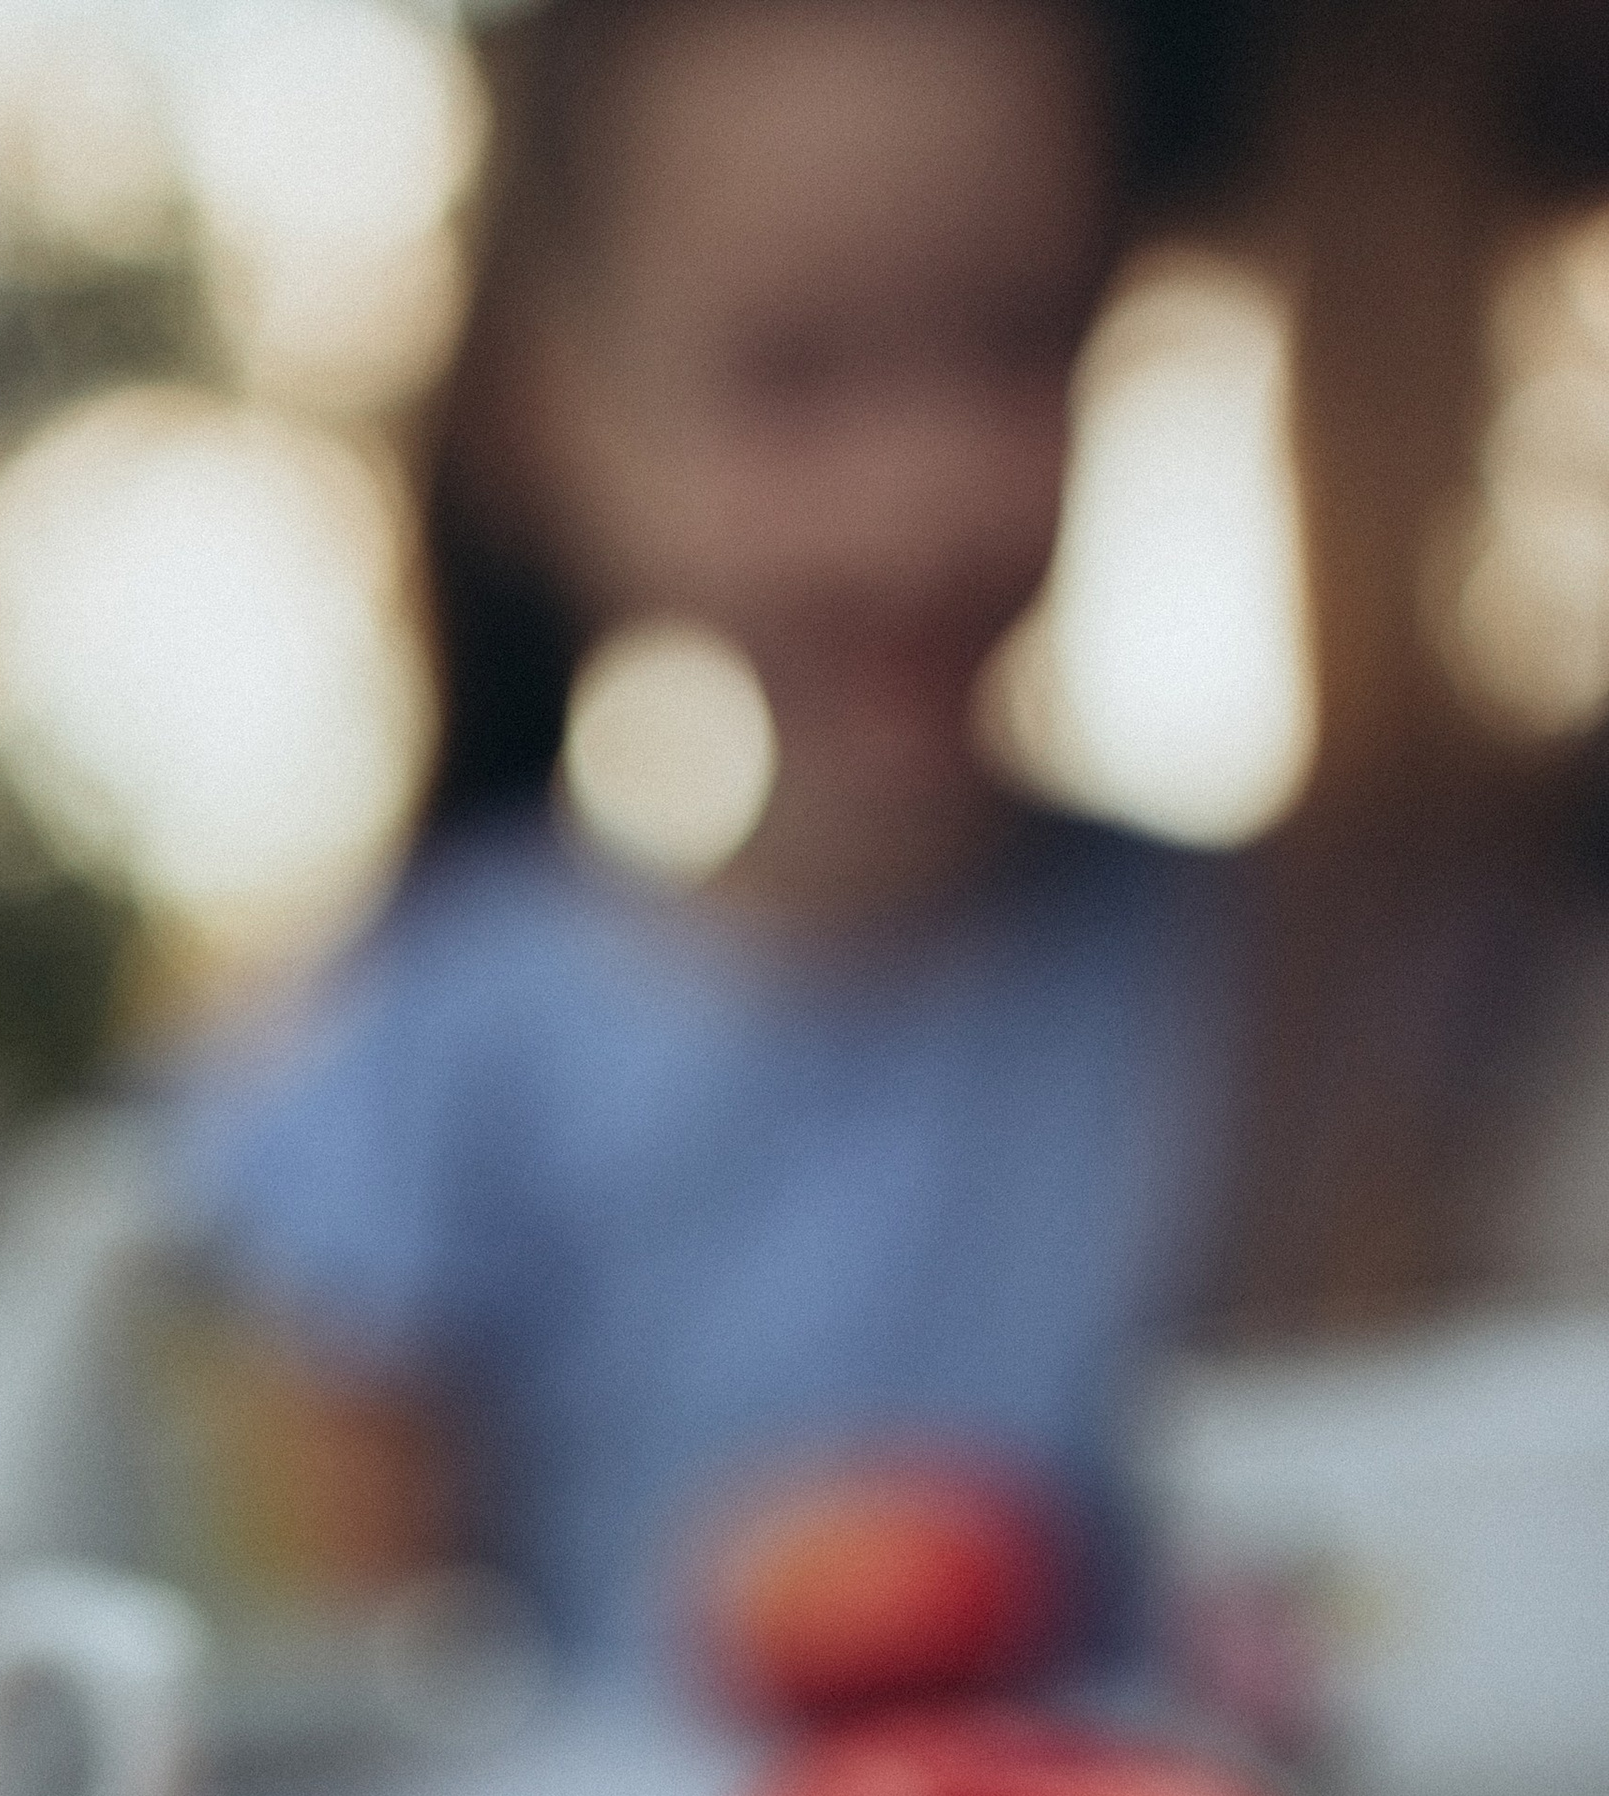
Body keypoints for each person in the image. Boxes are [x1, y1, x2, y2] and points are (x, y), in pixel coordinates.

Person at [170, 0, 1264, 1668]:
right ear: (556, 419)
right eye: (794, 375)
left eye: (1014, 339)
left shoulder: (1271, 985)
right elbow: (353, 1681)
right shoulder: (435, 1055)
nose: (921, 489)